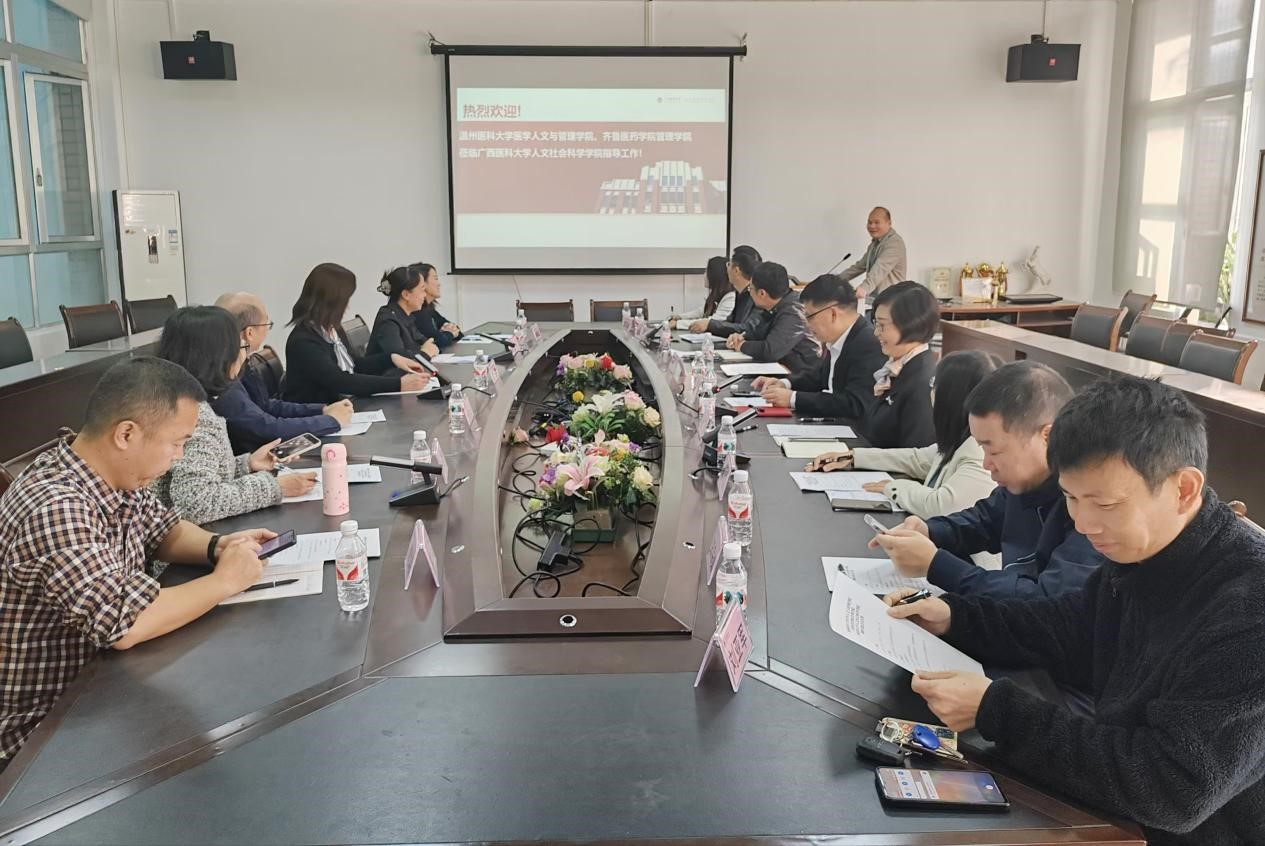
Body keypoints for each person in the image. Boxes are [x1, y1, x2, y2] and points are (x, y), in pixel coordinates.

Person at [888, 376, 1265, 846]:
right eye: (1070, 498)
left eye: (1105, 504)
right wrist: (955, 617)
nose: (1084, 525)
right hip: (1116, 808)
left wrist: (995, 710)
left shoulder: (1249, 610)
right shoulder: (1144, 552)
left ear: (1184, 489)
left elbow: (1172, 788)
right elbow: (1067, 628)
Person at [0, 357, 274, 764]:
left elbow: (163, 530)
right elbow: (126, 623)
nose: (179, 456)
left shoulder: (109, 472)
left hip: (107, 690)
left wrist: (219, 547)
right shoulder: (54, 506)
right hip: (44, 739)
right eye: (177, 443)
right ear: (126, 433)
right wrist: (225, 581)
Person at [869, 360, 1102, 598]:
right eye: (982, 449)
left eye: (994, 451)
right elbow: (985, 520)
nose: (986, 464)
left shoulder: (1089, 507)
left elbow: (1045, 601)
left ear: (1047, 436)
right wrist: (930, 530)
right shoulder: (1021, 484)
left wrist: (937, 566)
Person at [151, 307, 317, 524]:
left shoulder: (168, 397)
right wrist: (274, 487)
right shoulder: (194, 415)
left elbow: (194, 475)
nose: (243, 355)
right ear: (218, 357)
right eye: (241, 347)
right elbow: (196, 502)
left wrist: (246, 464)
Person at [808, 350, 1001, 531]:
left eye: (935, 384)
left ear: (950, 395)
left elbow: (942, 505)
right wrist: (853, 457)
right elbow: (916, 459)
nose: (931, 392)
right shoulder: (958, 438)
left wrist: (892, 487)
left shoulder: (978, 449)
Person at [212, 292, 352, 453]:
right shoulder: (220, 376)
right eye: (266, 324)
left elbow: (265, 406)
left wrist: (322, 410)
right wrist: (331, 421)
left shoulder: (242, 363)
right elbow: (266, 428)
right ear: (249, 333)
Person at [282, 262, 433, 404]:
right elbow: (340, 380)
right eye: (345, 301)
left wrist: (391, 359)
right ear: (331, 302)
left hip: (345, 406)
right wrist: (399, 384)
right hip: (318, 414)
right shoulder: (304, 341)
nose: (347, 306)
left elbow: (355, 365)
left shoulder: (333, 330)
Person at [751, 274, 886, 420]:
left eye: (810, 316)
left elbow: (854, 404)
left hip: (851, 429)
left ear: (833, 314)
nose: (807, 324)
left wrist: (793, 398)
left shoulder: (868, 344)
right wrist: (785, 383)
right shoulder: (840, 337)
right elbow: (820, 377)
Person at [857, 280, 938, 449]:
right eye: (875, 323)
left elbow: (914, 454)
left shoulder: (922, 383)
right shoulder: (899, 366)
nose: (876, 332)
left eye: (882, 325)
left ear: (912, 324)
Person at [723, 261, 821, 379]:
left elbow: (770, 350)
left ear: (762, 293)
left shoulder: (793, 311)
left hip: (801, 376)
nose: (749, 292)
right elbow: (757, 332)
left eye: (750, 288)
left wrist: (742, 345)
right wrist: (741, 337)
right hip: (781, 369)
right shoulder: (776, 305)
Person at [690, 245, 768, 338]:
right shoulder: (739, 293)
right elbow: (730, 322)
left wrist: (710, 325)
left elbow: (747, 329)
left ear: (736, 271)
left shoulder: (757, 295)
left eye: (729, 264)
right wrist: (709, 325)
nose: (727, 269)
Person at [368, 265, 440, 361]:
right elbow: (400, 359)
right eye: (422, 290)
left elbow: (424, 343)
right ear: (406, 294)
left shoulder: (406, 316)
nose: (424, 295)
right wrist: (425, 353)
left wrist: (427, 348)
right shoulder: (388, 322)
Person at [836, 206, 907, 300]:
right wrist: (835, 281)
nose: (872, 226)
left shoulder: (894, 243)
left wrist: (864, 288)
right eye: (869, 222)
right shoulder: (875, 243)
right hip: (877, 300)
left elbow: (880, 269)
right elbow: (859, 267)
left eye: (877, 222)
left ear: (889, 223)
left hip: (892, 301)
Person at [409, 263, 463, 349]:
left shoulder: (429, 309)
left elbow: (457, 331)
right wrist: (449, 334)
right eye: (435, 278)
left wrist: (450, 331)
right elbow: (438, 341)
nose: (439, 284)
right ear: (422, 283)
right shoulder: (418, 311)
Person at [671, 256, 734, 325]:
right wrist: (680, 316)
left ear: (715, 275)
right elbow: (701, 311)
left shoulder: (731, 298)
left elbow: (710, 322)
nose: (704, 275)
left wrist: (677, 324)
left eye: (706, 271)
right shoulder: (716, 295)